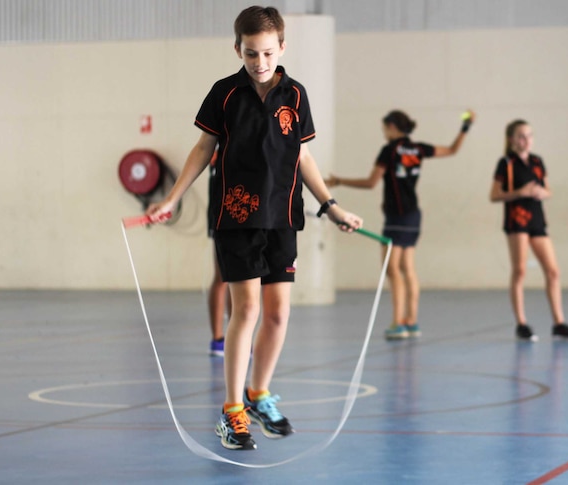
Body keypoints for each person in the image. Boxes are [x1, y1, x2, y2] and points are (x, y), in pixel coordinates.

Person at [147, 6, 362, 451]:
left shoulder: (296, 96)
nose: (259, 63)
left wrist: (332, 205)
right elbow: (203, 149)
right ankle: (231, 413)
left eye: (267, 53)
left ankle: (259, 394)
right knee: (245, 311)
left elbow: (302, 157)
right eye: (250, 54)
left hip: (283, 218)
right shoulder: (224, 93)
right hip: (236, 217)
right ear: (237, 49)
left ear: (281, 47)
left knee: (279, 314)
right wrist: (171, 199)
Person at [326, 110, 474, 340]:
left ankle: (398, 323)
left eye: (385, 129)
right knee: (407, 268)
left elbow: (371, 182)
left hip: (397, 216)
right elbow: (453, 150)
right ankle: (411, 321)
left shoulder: (390, 150)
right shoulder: (418, 149)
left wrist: (338, 181)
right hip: (414, 215)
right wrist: (465, 127)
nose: (384, 134)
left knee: (392, 269)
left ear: (393, 127)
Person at [489, 120, 568, 342]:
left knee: (553, 271)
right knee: (520, 271)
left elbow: (548, 189)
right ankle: (521, 323)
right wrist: (519, 192)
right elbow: (494, 195)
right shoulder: (506, 163)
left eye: (529, 135)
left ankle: (558, 323)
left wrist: (544, 193)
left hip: (537, 219)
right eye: (521, 136)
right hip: (517, 220)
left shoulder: (537, 161)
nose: (526, 140)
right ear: (512, 139)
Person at [206, 148, 229, 357]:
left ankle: (237, 336)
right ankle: (218, 338)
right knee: (222, 276)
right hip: (221, 213)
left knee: (240, 280)